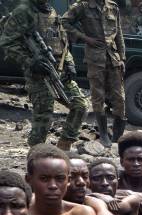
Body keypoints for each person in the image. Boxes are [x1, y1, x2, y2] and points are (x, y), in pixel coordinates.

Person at [0, 0, 87, 151]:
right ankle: (36, 157)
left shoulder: (51, 10)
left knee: (80, 105)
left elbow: (62, 41)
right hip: (38, 73)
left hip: (59, 70)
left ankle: (63, 148)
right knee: (43, 118)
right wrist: (30, 61)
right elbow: (7, 42)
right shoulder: (24, 10)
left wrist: (69, 62)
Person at [62, 0, 126, 146]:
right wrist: (85, 38)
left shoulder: (113, 7)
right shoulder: (82, 6)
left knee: (120, 97)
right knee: (98, 96)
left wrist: (122, 57)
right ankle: (103, 135)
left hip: (113, 57)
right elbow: (64, 22)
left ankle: (117, 137)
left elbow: (119, 33)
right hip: (95, 57)